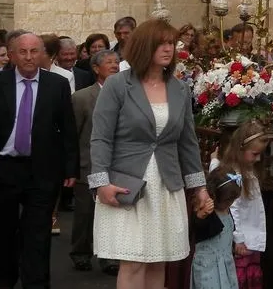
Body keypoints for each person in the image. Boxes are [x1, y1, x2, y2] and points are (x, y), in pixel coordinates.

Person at [89, 19, 209, 289]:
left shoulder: (179, 88)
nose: (168, 49)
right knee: (133, 263)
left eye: (171, 43)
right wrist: (100, 184)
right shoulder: (118, 85)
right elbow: (100, 137)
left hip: (166, 185)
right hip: (127, 184)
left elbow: (188, 143)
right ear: (145, 46)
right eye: (161, 43)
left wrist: (199, 188)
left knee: (159, 262)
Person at [0, 31, 78, 288]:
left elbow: (68, 129)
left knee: (38, 235)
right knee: (2, 233)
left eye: (34, 51)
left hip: (42, 170)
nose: (29, 57)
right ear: (11, 56)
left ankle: (36, 283)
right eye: (23, 51)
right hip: (3, 170)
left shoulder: (57, 84)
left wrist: (70, 168)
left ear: (42, 54)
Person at [70, 50, 121, 275]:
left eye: (117, 62)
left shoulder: (127, 94)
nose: (114, 65)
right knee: (85, 214)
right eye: (109, 62)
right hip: (87, 164)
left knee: (112, 214)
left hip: (118, 166)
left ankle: (110, 258)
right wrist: (73, 166)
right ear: (95, 68)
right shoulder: (81, 98)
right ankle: (81, 253)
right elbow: (73, 135)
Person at [210, 121, 269, 289]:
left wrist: (214, 161)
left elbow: (217, 170)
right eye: (255, 154)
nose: (258, 159)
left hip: (252, 237)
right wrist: (239, 239)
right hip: (243, 241)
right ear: (240, 150)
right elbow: (232, 209)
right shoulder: (235, 175)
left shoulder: (245, 171)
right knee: (239, 278)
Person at [191, 166, 242, 289]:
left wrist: (236, 244)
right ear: (214, 196)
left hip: (226, 264)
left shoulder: (227, 211)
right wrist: (202, 215)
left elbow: (229, 232)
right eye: (228, 200)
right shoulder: (208, 213)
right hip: (208, 267)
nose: (230, 204)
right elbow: (197, 228)